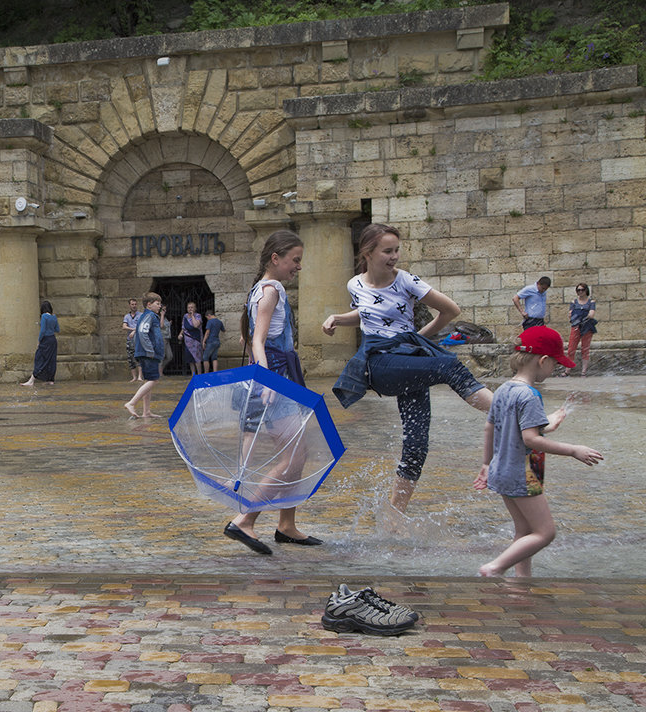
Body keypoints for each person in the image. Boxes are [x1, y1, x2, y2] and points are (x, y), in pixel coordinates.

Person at [323, 223, 494, 513]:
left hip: (408, 360)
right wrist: (338, 318)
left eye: (396, 250)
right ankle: (511, 409)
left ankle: (394, 513)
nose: (394, 257)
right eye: (387, 251)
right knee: (449, 366)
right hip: (378, 362)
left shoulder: (406, 281)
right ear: (368, 252)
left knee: (416, 445)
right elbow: (367, 315)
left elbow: (451, 311)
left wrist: (418, 338)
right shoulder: (355, 284)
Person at [474, 326, 603, 577]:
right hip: (524, 474)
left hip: (501, 469)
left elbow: (490, 427)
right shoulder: (530, 395)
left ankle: (522, 583)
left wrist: (487, 464)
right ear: (543, 361)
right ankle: (495, 567)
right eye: (554, 363)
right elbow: (531, 439)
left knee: (525, 531)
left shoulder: (502, 390)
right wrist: (573, 450)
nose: (554, 369)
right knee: (545, 532)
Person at [222, 230, 318, 556]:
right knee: (292, 457)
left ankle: (286, 524)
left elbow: (249, 339)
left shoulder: (259, 291)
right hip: (276, 381)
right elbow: (259, 341)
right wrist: (266, 383)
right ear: (275, 259)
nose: (298, 267)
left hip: (279, 379)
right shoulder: (270, 290)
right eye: (295, 260)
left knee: (296, 455)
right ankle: (245, 520)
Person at [124, 292, 164, 419]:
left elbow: (139, 330)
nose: (160, 306)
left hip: (146, 353)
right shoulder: (150, 316)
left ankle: (146, 412)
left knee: (148, 381)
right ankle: (132, 403)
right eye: (157, 304)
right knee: (154, 380)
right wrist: (150, 351)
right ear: (149, 304)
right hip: (148, 354)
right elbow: (142, 332)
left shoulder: (146, 316)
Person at [21, 300, 59, 387]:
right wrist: (50, 327)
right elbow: (57, 329)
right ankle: (50, 380)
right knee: (51, 360)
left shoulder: (44, 316)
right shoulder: (54, 317)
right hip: (53, 340)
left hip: (45, 340)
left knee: (39, 358)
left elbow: (42, 331)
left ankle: (32, 380)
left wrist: (39, 340)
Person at [565, 283, 596, 377]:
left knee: (585, 348)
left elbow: (591, 314)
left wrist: (579, 315)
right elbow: (570, 314)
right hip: (576, 326)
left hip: (586, 326)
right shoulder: (574, 302)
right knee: (571, 348)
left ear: (586, 290)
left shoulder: (591, 302)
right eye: (578, 290)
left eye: (582, 290)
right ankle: (567, 370)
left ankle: (583, 372)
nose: (580, 292)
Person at [181, 301, 204, 375]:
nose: (190, 309)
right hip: (187, 342)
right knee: (190, 359)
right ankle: (193, 374)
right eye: (188, 307)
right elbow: (183, 327)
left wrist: (193, 316)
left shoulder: (198, 316)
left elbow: (196, 325)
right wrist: (180, 334)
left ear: (195, 308)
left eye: (192, 307)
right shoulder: (185, 316)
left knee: (197, 358)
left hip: (195, 340)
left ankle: (199, 374)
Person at [122, 298, 142, 382]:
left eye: (135, 304)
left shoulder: (140, 315)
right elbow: (124, 326)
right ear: (129, 305)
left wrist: (134, 331)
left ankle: (140, 377)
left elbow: (141, 325)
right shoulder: (127, 316)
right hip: (129, 340)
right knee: (131, 358)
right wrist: (133, 329)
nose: (134, 306)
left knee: (139, 358)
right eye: (132, 304)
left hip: (138, 340)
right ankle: (134, 377)